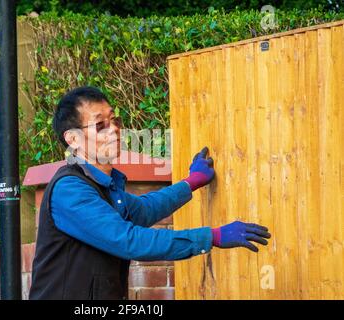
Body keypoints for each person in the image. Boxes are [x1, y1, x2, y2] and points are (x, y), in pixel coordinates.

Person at [29, 86, 271, 300]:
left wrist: (191, 182)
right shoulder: (70, 190)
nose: (114, 129)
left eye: (115, 121)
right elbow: (129, 240)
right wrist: (212, 236)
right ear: (73, 139)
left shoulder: (104, 185)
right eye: (100, 125)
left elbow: (144, 210)